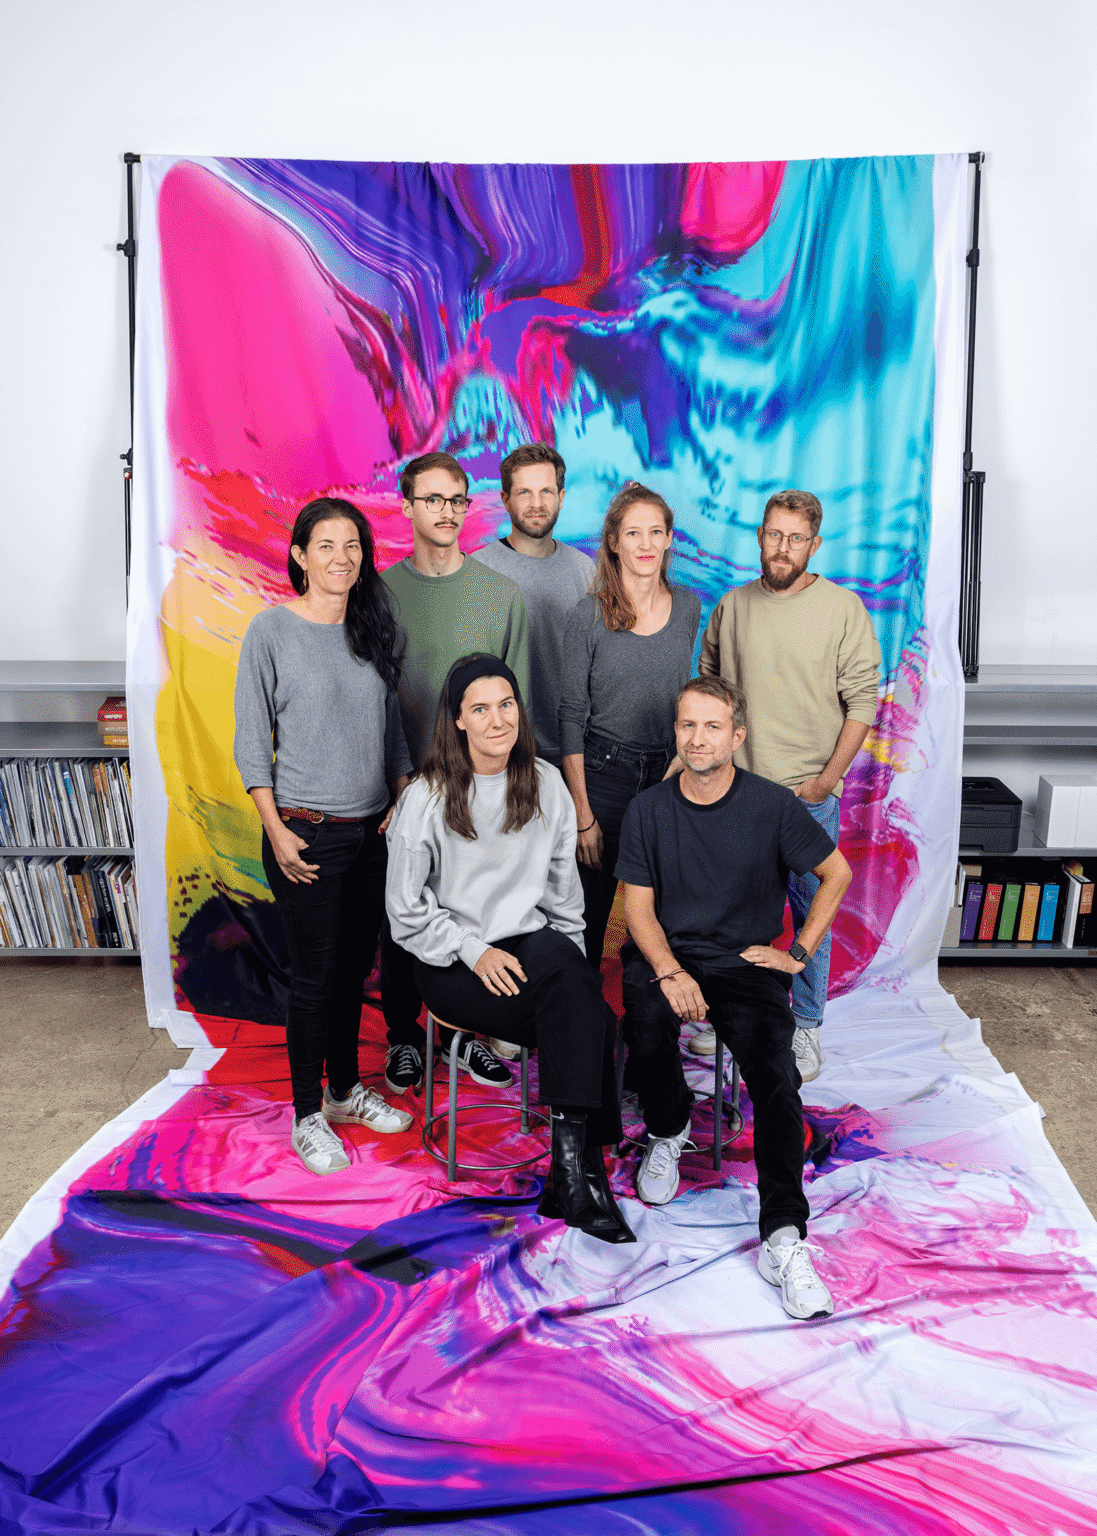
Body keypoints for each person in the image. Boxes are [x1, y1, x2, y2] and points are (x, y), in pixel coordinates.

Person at [617, 676, 852, 1318]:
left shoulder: (772, 805)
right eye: (687, 725)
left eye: (712, 726)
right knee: (644, 1017)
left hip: (745, 964)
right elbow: (638, 909)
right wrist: (670, 971)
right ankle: (668, 1128)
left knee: (777, 1075)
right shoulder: (649, 810)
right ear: (676, 732)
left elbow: (836, 872)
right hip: (668, 955)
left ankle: (784, 1237)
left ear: (737, 736)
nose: (698, 739)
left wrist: (797, 953)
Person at [385, 655, 634, 1244]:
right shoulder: (426, 797)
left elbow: (565, 903)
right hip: (450, 961)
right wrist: (472, 950)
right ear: (458, 720)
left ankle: (572, 1175)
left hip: (530, 945)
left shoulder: (546, 784)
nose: (498, 720)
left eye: (506, 704)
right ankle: (581, 1175)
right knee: (593, 1018)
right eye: (480, 709)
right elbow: (404, 912)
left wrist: (570, 971)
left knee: (577, 992)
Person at [233, 497, 414, 1176]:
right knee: (314, 978)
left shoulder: (371, 629)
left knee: (353, 973)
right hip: (304, 834)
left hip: (371, 833)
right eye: (326, 545)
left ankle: (342, 1092)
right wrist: (275, 829)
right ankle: (307, 1114)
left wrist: (402, 797)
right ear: (300, 557)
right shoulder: (271, 631)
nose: (341, 558)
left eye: (352, 545)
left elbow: (392, 732)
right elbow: (251, 739)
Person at [688, 489, 880, 1083]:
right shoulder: (733, 606)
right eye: (774, 534)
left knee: (808, 913)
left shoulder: (842, 608)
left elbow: (863, 701)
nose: (782, 547)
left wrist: (826, 781)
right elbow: (710, 690)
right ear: (760, 536)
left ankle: (807, 1024)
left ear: (814, 544)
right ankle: (729, 1013)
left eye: (796, 538)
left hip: (803, 799)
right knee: (729, 913)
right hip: (736, 792)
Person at [380, 452, 532, 1096]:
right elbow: (376, 697)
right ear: (407, 505)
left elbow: (515, 704)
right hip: (402, 786)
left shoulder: (500, 595)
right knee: (403, 911)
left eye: (457, 500)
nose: (447, 511)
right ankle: (403, 1036)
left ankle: (464, 1037)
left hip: (478, 789)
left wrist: (502, 790)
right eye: (433, 499)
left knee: (471, 910)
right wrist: (399, 788)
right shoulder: (381, 593)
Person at [558, 482, 701, 969]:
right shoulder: (588, 615)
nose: (645, 544)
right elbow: (570, 715)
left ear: (669, 539)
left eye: (655, 532)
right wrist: (583, 814)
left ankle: (652, 1009)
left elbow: (687, 695)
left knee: (661, 912)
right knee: (590, 912)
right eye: (633, 533)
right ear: (614, 542)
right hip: (604, 777)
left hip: (668, 775)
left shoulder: (688, 607)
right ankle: (583, 1009)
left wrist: (683, 760)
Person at [472, 443, 595, 769]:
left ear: (561, 497)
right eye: (524, 492)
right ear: (505, 499)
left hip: (577, 751)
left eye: (546, 492)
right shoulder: (477, 571)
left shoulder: (586, 570)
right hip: (503, 753)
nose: (537, 504)